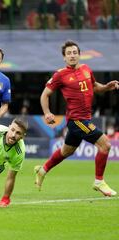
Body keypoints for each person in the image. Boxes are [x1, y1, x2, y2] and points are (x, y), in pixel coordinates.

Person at [35, 40, 119, 197]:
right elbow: (44, 95)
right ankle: (99, 181)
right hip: (77, 120)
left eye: (75, 52)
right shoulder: (60, 74)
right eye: (69, 53)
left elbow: (94, 87)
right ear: (64, 58)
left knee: (67, 151)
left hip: (83, 119)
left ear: (79, 55)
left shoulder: (87, 69)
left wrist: (107, 87)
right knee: (105, 145)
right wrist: (47, 112)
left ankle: (43, 169)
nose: (72, 55)